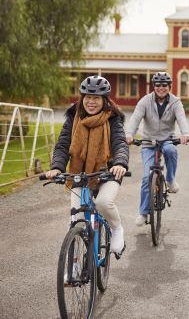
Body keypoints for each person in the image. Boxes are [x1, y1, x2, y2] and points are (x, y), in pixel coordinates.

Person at [45, 75, 129, 254]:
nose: (91, 102)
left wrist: (120, 163)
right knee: (75, 218)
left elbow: (120, 143)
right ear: (82, 98)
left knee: (103, 203)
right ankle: (73, 267)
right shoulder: (73, 117)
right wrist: (57, 168)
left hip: (108, 171)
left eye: (96, 98)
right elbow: (63, 144)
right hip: (79, 173)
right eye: (88, 98)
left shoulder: (112, 118)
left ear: (104, 100)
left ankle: (117, 229)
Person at [126, 72, 189, 227]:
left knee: (171, 151)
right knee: (146, 177)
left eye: (164, 85)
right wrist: (129, 134)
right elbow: (135, 118)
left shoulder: (175, 102)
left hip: (167, 139)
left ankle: (170, 180)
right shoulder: (145, 101)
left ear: (169, 87)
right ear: (154, 86)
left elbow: (181, 118)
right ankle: (143, 213)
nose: (161, 88)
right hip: (148, 142)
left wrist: (185, 133)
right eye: (158, 85)